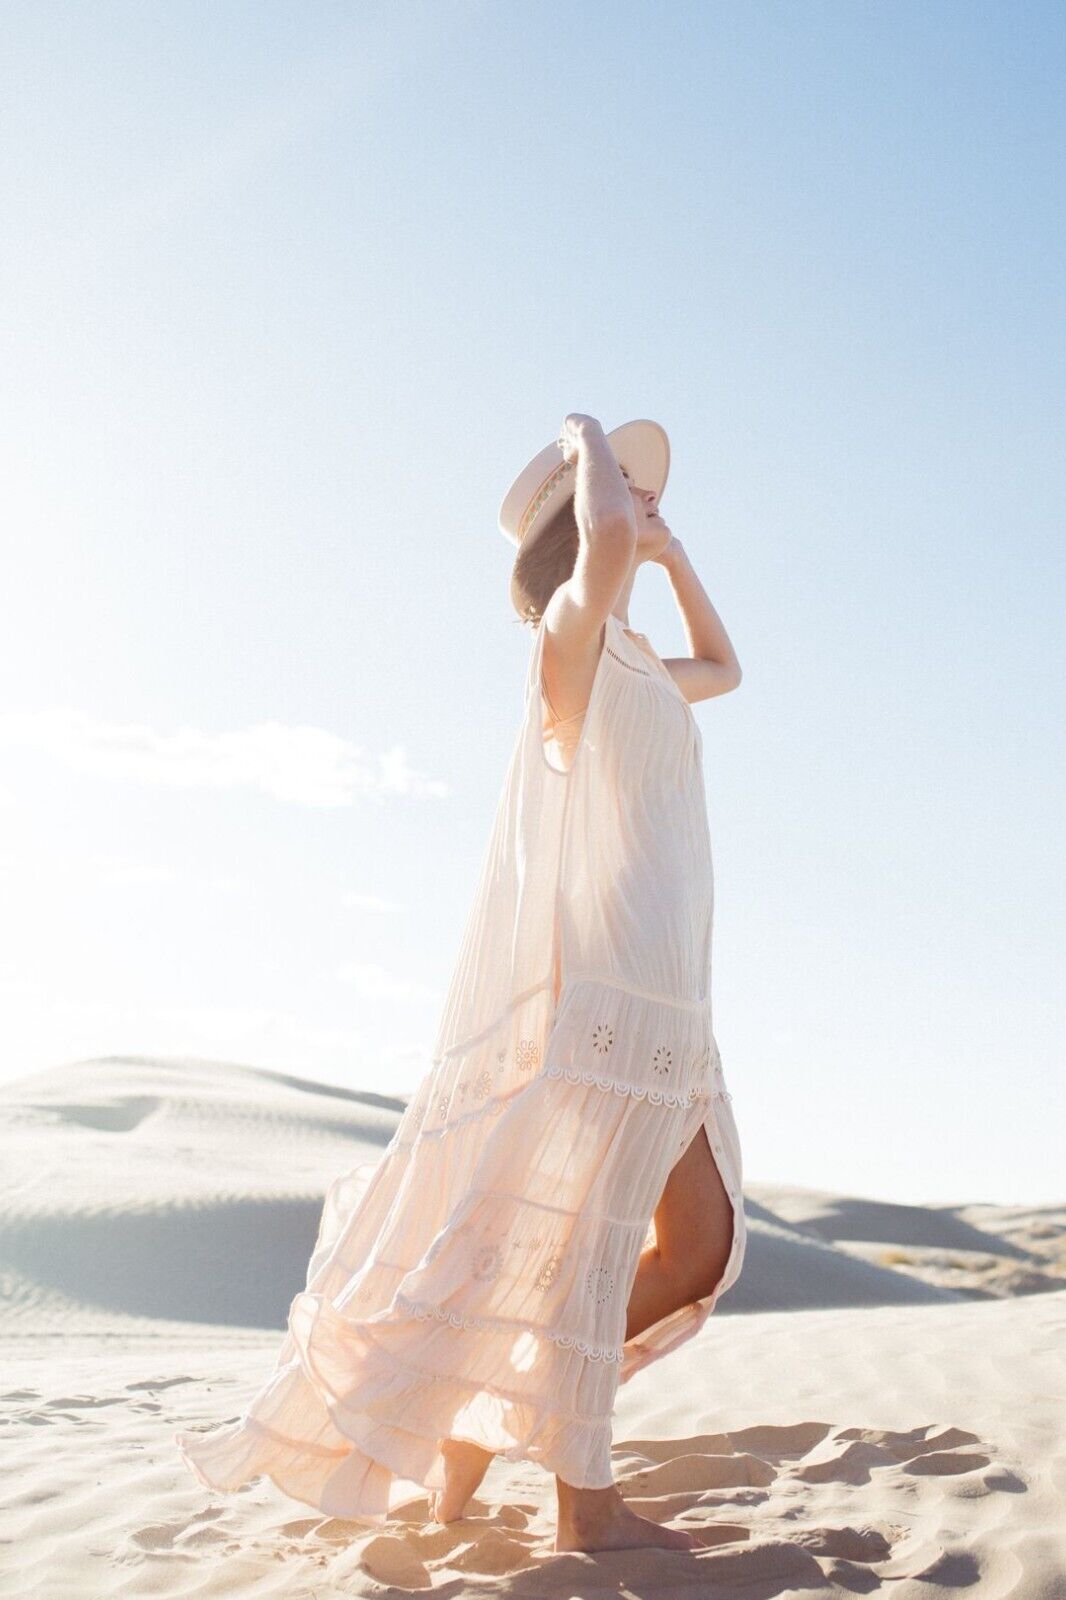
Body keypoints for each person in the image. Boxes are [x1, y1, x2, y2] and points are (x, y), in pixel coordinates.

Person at [175, 412, 747, 1555]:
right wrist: (585, 436)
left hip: (672, 990)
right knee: (591, 1249)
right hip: (605, 986)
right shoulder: (567, 640)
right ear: (574, 525)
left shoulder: (641, 664)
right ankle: (584, 1503)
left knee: (699, 1242)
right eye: (628, 492)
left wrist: (675, 556)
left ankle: (480, 1414)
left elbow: (726, 670)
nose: (645, 502)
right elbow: (599, 543)